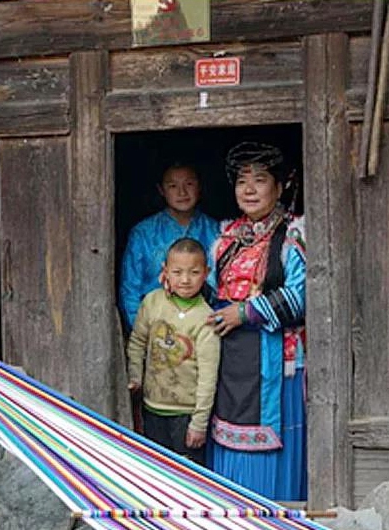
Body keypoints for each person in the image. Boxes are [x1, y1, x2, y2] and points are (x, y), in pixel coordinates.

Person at [206, 142, 307, 500]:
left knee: (270, 451)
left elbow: (302, 295)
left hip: (274, 362)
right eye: (242, 182)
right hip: (231, 360)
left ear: (279, 188)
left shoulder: (294, 235)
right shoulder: (224, 238)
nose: (249, 190)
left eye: (260, 180)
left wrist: (244, 312)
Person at [127, 238, 221, 465]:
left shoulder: (206, 318)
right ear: (165, 271)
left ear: (207, 272)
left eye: (194, 272)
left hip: (186, 414)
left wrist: (199, 423)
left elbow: (208, 377)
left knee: (187, 473)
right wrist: (135, 377)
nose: (185, 280)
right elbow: (138, 342)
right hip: (152, 408)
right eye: (177, 272)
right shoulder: (152, 302)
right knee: (153, 467)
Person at [120, 164, 219, 329]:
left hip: (206, 327)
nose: (182, 192)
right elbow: (130, 290)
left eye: (189, 184)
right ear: (161, 190)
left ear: (199, 186)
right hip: (156, 327)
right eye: (173, 186)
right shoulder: (143, 233)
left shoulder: (217, 231)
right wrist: (143, 333)